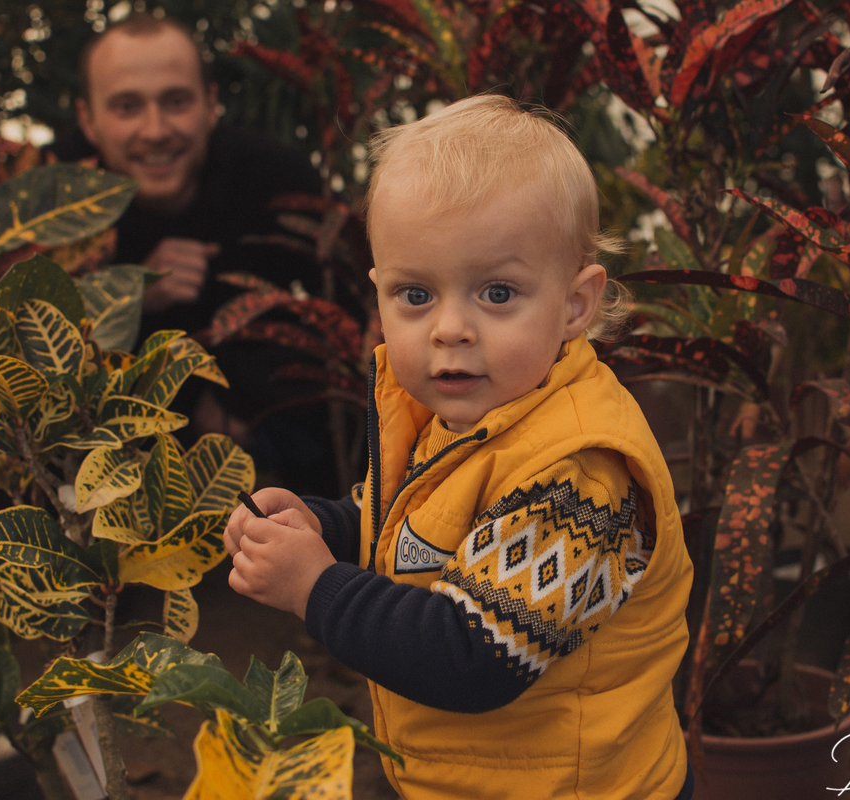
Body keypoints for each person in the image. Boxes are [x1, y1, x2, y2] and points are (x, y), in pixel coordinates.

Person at [223, 94, 694, 800]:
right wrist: (323, 525)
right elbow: (420, 531)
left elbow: (473, 656)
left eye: (496, 293)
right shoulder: (462, 414)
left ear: (575, 305)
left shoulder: (579, 475)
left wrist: (314, 586)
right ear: (379, 293)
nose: (449, 328)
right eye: (416, 295)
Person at [56, 13, 336, 494]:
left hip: (285, 462)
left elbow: (352, 314)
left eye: (176, 102)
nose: (155, 130)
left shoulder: (276, 182)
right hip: (107, 477)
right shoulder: (54, 203)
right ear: (88, 120)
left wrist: (238, 403)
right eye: (127, 107)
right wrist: (129, 297)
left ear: (210, 105)